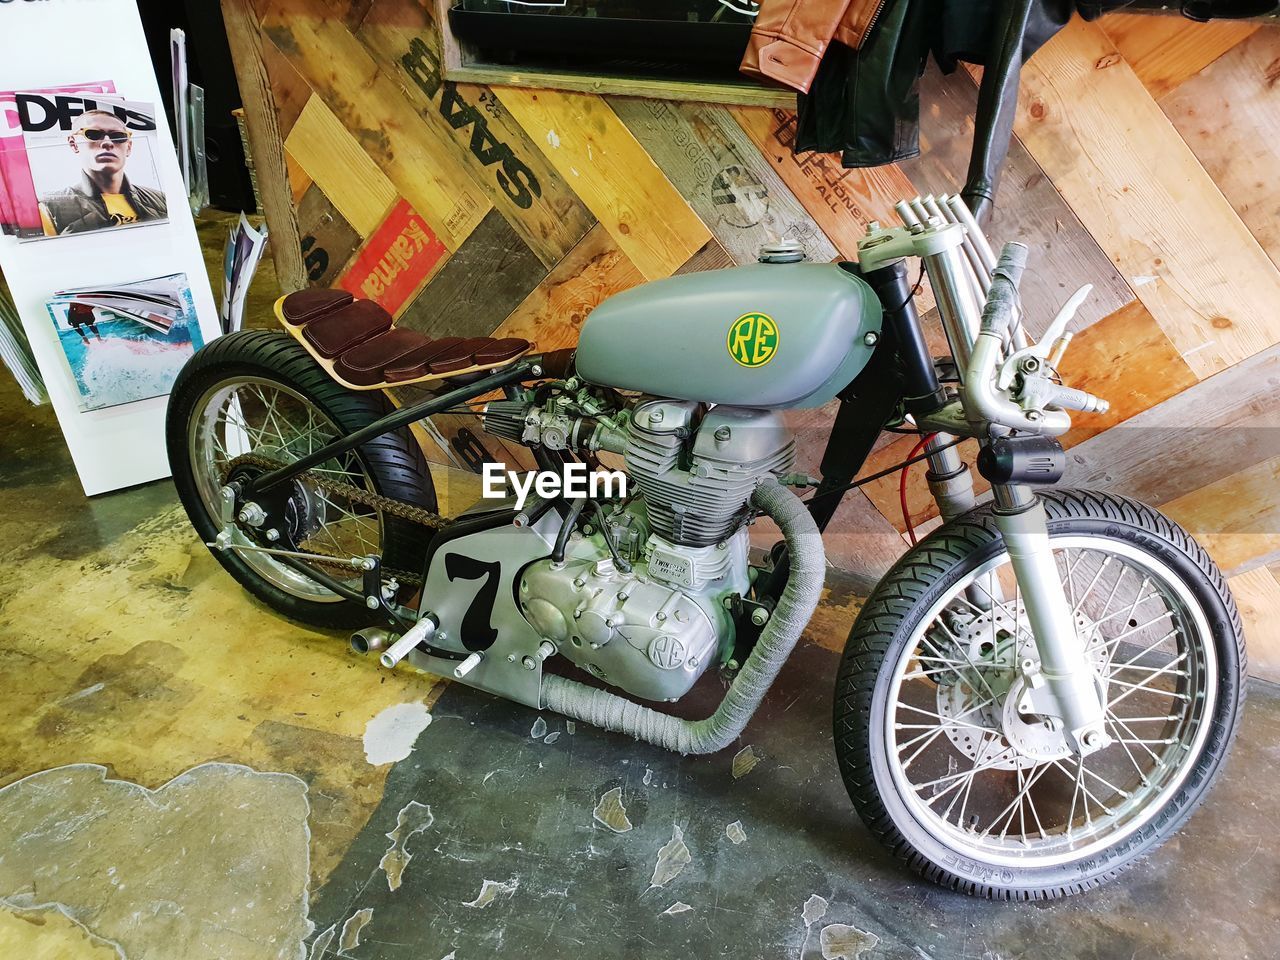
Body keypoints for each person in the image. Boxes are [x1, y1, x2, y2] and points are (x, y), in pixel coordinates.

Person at [37, 109, 167, 236]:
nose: (107, 142)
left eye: (118, 136)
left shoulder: (162, 199)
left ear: (128, 147)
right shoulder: (49, 207)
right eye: (93, 134)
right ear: (74, 144)